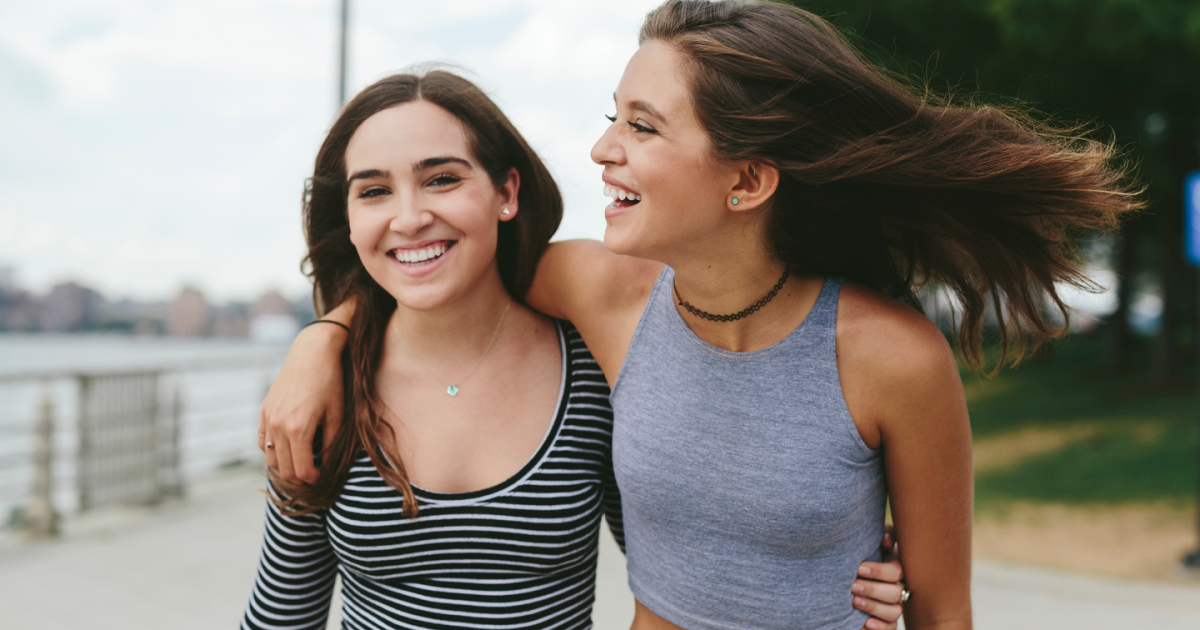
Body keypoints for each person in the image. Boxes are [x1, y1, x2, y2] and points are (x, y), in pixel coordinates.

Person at [260, 2, 1137, 628]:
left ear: (747, 180)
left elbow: (944, 613)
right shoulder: (597, 294)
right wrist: (321, 339)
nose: (604, 148)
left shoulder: (893, 357)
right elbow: (428, 261)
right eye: (615, 117)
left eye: (642, 126)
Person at [242, 68, 906, 630]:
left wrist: (831, 570)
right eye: (374, 191)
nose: (409, 216)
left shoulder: (588, 366)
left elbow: (692, 555)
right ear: (351, 219)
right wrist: (323, 336)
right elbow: (281, 615)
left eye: (441, 179)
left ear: (505, 192)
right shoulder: (322, 390)